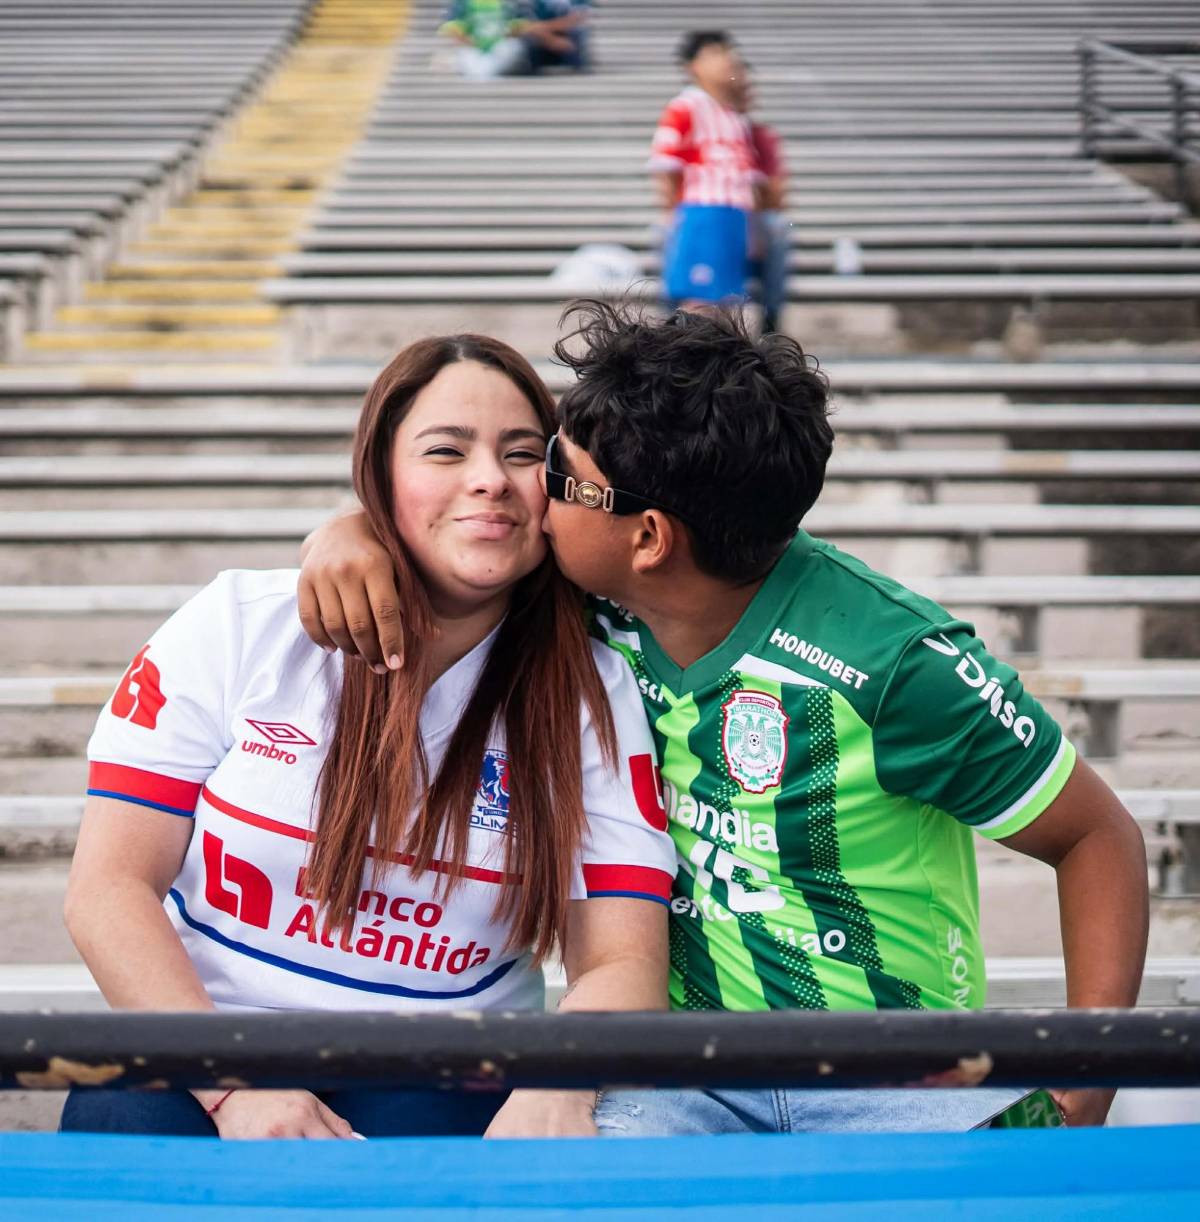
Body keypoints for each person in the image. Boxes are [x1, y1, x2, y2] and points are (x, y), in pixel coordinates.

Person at [296, 302, 1149, 1135]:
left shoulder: (896, 664)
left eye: (561, 479)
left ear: (650, 539)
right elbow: (441, 549)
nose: (532, 499)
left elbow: (1097, 837)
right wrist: (348, 534)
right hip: (679, 1079)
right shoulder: (579, 595)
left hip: (894, 1076)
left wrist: (1091, 1076)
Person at [61, 333, 675, 1140]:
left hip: (449, 1080)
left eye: (522, 454)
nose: (489, 478)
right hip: (201, 1058)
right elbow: (108, 890)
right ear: (380, 476)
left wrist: (558, 1079)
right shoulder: (239, 625)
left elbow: (623, 961)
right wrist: (237, 1089)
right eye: (445, 450)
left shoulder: (594, 685)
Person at [650, 31, 763, 308]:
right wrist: (671, 213)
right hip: (703, 210)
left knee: (727, 298)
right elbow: (665, 163)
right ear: (692, 67)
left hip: (735, 212)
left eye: (726, 53)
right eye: (713, 54)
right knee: (698, 299)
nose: (725, 61)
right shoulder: (686, 106)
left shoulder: (734, 116)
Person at [735, 70, 790, 335]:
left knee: (777, 227)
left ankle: (771, 320)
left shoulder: (759, 137)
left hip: (752, 216)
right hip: (714, 213)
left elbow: (776, 193)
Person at [440, 0, 530, 79]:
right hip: (474, 49)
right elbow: (453, 30)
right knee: (467, 55)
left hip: (500, 50)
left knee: (511, 47)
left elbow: (518, 26)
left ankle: (483, 75)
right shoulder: (463, 2)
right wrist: (475, 45)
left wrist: (496, 44)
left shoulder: (508, 2)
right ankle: (487, 75)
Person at [517, 0, 592, 73]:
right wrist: (552, 40)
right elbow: (525, 24)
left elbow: (577, 18)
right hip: (541, 42)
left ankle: (577, 70)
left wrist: (541, 27)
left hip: (567, 40)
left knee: (577, 32)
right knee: (528, 36)